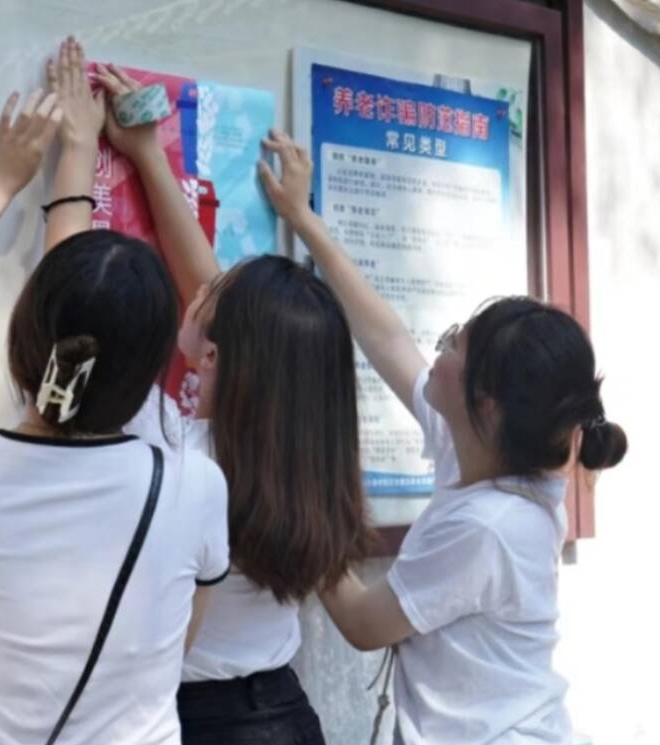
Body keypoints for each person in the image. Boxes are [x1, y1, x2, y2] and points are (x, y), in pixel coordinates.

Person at [0, 38, 229, 745]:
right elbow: (178, 648)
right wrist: (107, 155)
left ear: (22, 338)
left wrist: (0, 183)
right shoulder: (193, 486)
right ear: (154, 372)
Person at [258, 130, 628, 745]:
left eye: (456, 342)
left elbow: (363, 622)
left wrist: (292, 483)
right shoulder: (487, 454)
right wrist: (303, 218)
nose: (441, 346)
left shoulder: (490, 525)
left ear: (485, 403)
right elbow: (387, 339)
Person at [88, 63, 373, 745]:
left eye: (213, 297)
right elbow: (220, 301)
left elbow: (78, 299)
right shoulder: (301, 453)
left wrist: (75, 154)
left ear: (215, 354)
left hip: (196, 719)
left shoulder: (167, 443)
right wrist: (150, 153)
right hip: (285, 714)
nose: (201, 288)